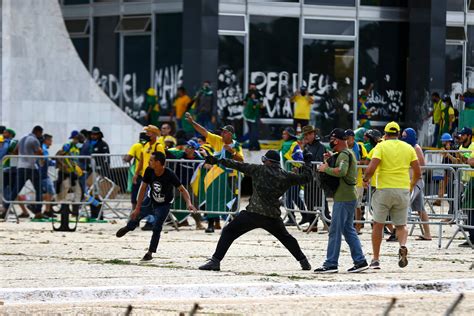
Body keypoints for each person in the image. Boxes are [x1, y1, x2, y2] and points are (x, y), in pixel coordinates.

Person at [198, 150, 313, 271]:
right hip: (272, 216)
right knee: (287, 239)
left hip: (253, 214)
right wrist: (307, 163)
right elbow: (306, 178)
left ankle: (215, 261)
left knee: (228, 232)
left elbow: (237, 164)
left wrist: (217, 160)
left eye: (264, 159)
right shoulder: (286, 175)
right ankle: (304, 261)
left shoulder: (258, 169)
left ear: (268, 161)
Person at [116, 151, 197, 261]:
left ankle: (150, 252)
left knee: (157, 227)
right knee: (136, 216)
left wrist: (189, 203)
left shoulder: (169, 174)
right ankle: (129, 227)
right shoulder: (149, 170)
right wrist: (137, 207)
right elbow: (143, 188)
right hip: (150, 199)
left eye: (151, 160)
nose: (148, 162)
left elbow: (183, 190)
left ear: (158, 162)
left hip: (164, 204)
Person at [363, 122, 421, 269]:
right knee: (401, 225)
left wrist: (365, 179)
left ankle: (376, 259)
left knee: (378, 224)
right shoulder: (408, 148)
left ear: (386, 133)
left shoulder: (381, 146)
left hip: (384, 189)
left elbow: (371, 167)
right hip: (402, 189)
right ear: (399, 133)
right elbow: (418, 171)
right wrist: (411, 185)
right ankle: (402, 245)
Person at [313, 129, 368, 273]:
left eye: (331, 139)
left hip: (343, 198)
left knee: (335, 230)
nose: (330, 142)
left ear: (336, 140)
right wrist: (330, 159)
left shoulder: (344, 154)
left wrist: (325, 169)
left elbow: (342, 171)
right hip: (347, 196)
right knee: (348, 229)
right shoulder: (345, 153)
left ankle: (331, 263)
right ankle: (360, 261)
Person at [185, 112, 243, 232]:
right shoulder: (218, 140)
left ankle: (231, 224)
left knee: (231, 199)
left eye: (225, 132)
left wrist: (232, 151)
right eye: (222, 132)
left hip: (230, 176)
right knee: (212, 198)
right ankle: (211, 224)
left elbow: (241, 159)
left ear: (231, 134)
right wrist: (192, 122)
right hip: (215, 175)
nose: (222, 134)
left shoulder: (237, 145)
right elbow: (204, 132)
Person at [4, 126, 45, 219]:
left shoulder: (22, 138)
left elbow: (15, 151)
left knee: (15, 190)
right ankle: (38, 211)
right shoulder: (34, 140)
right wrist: (41, 159)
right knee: (38, 189)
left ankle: (6, 209)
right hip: (32, 167)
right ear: (38, 132)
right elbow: (40, 152)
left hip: (21, 167)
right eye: (40, 134)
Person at [401, 128, 432, 241]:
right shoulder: (407, 148)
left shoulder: (416, 148)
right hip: (410, 181)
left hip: (416, 181)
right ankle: (427, 234)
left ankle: (399, 231)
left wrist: (414, 178)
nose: (403, 138)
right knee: (420, 209)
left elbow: (422, 166)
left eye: (405, 136)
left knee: (404, 204)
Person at [133, 125, 166, 230]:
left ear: (154, 134)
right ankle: (148, 220)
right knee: (145, 199)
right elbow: (142, 161)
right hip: (145, 176)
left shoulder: (159, 146)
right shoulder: (146, 145)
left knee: (150, 200)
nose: (146, 134)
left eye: (148, 133)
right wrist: (136, 173)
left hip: (154, 176)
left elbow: (162, 162)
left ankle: (150, 222)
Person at [300, 125, 329, 230]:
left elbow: (318, 161)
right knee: (309, 202)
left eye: (309, 134)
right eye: (305, 134)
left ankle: (327, 223)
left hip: (317, 179)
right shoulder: (306, 146)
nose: (306, 136)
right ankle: (313, 225)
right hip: (308, 179)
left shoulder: (320, 147)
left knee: (321, 201)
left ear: (314, 134)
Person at [280, 127, 305, 226]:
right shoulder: (292, 144)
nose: (283, 136)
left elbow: (298, 160)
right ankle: (304, 215)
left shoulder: (291, 145)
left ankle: (293, 217)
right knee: (294, 197)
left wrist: (296, 167)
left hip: (292, 176)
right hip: (289, 175)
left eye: (285, 134)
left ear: (289, 135)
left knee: (290, 197)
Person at [346, 129, 369, 234]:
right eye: (345, 138)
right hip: (346, 180)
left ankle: (358, 226)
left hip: (358, 180)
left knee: (357, 205)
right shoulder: (344, 148)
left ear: (353, 137)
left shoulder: (359, 147)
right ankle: (349, 225)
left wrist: (365, 178)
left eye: (348, 137)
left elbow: (366, 161)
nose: (347, 140)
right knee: (347, 204)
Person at [124, 131, 149, 210]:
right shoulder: (150, 146)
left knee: (135, 195)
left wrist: (124, 158)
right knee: (147, 194)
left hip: (138, 175)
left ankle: (134, 213)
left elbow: (128, 159)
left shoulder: (136, 145)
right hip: (149, 174)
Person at [38, 134, 56, 217]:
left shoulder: (42, 147)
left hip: (43, 173)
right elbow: (45, 160)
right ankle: (35, 203)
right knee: (50, 192)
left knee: (49, 192)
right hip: (43, 174)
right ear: (46, 141)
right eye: (50, 141)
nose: (51, 143)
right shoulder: (44, 148)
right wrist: (56, 163)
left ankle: (47, 210)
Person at [243, 83, 264, 151]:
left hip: (256, 116)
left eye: (253, 86)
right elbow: (244, 103)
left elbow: (261, 105)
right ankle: (254, 146)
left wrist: (255, 105)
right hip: (249, 116)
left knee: (255, 131)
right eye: (251, 86)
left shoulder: (259, 94)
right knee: (252, 131)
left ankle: (253, 146)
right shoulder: (248, 95)